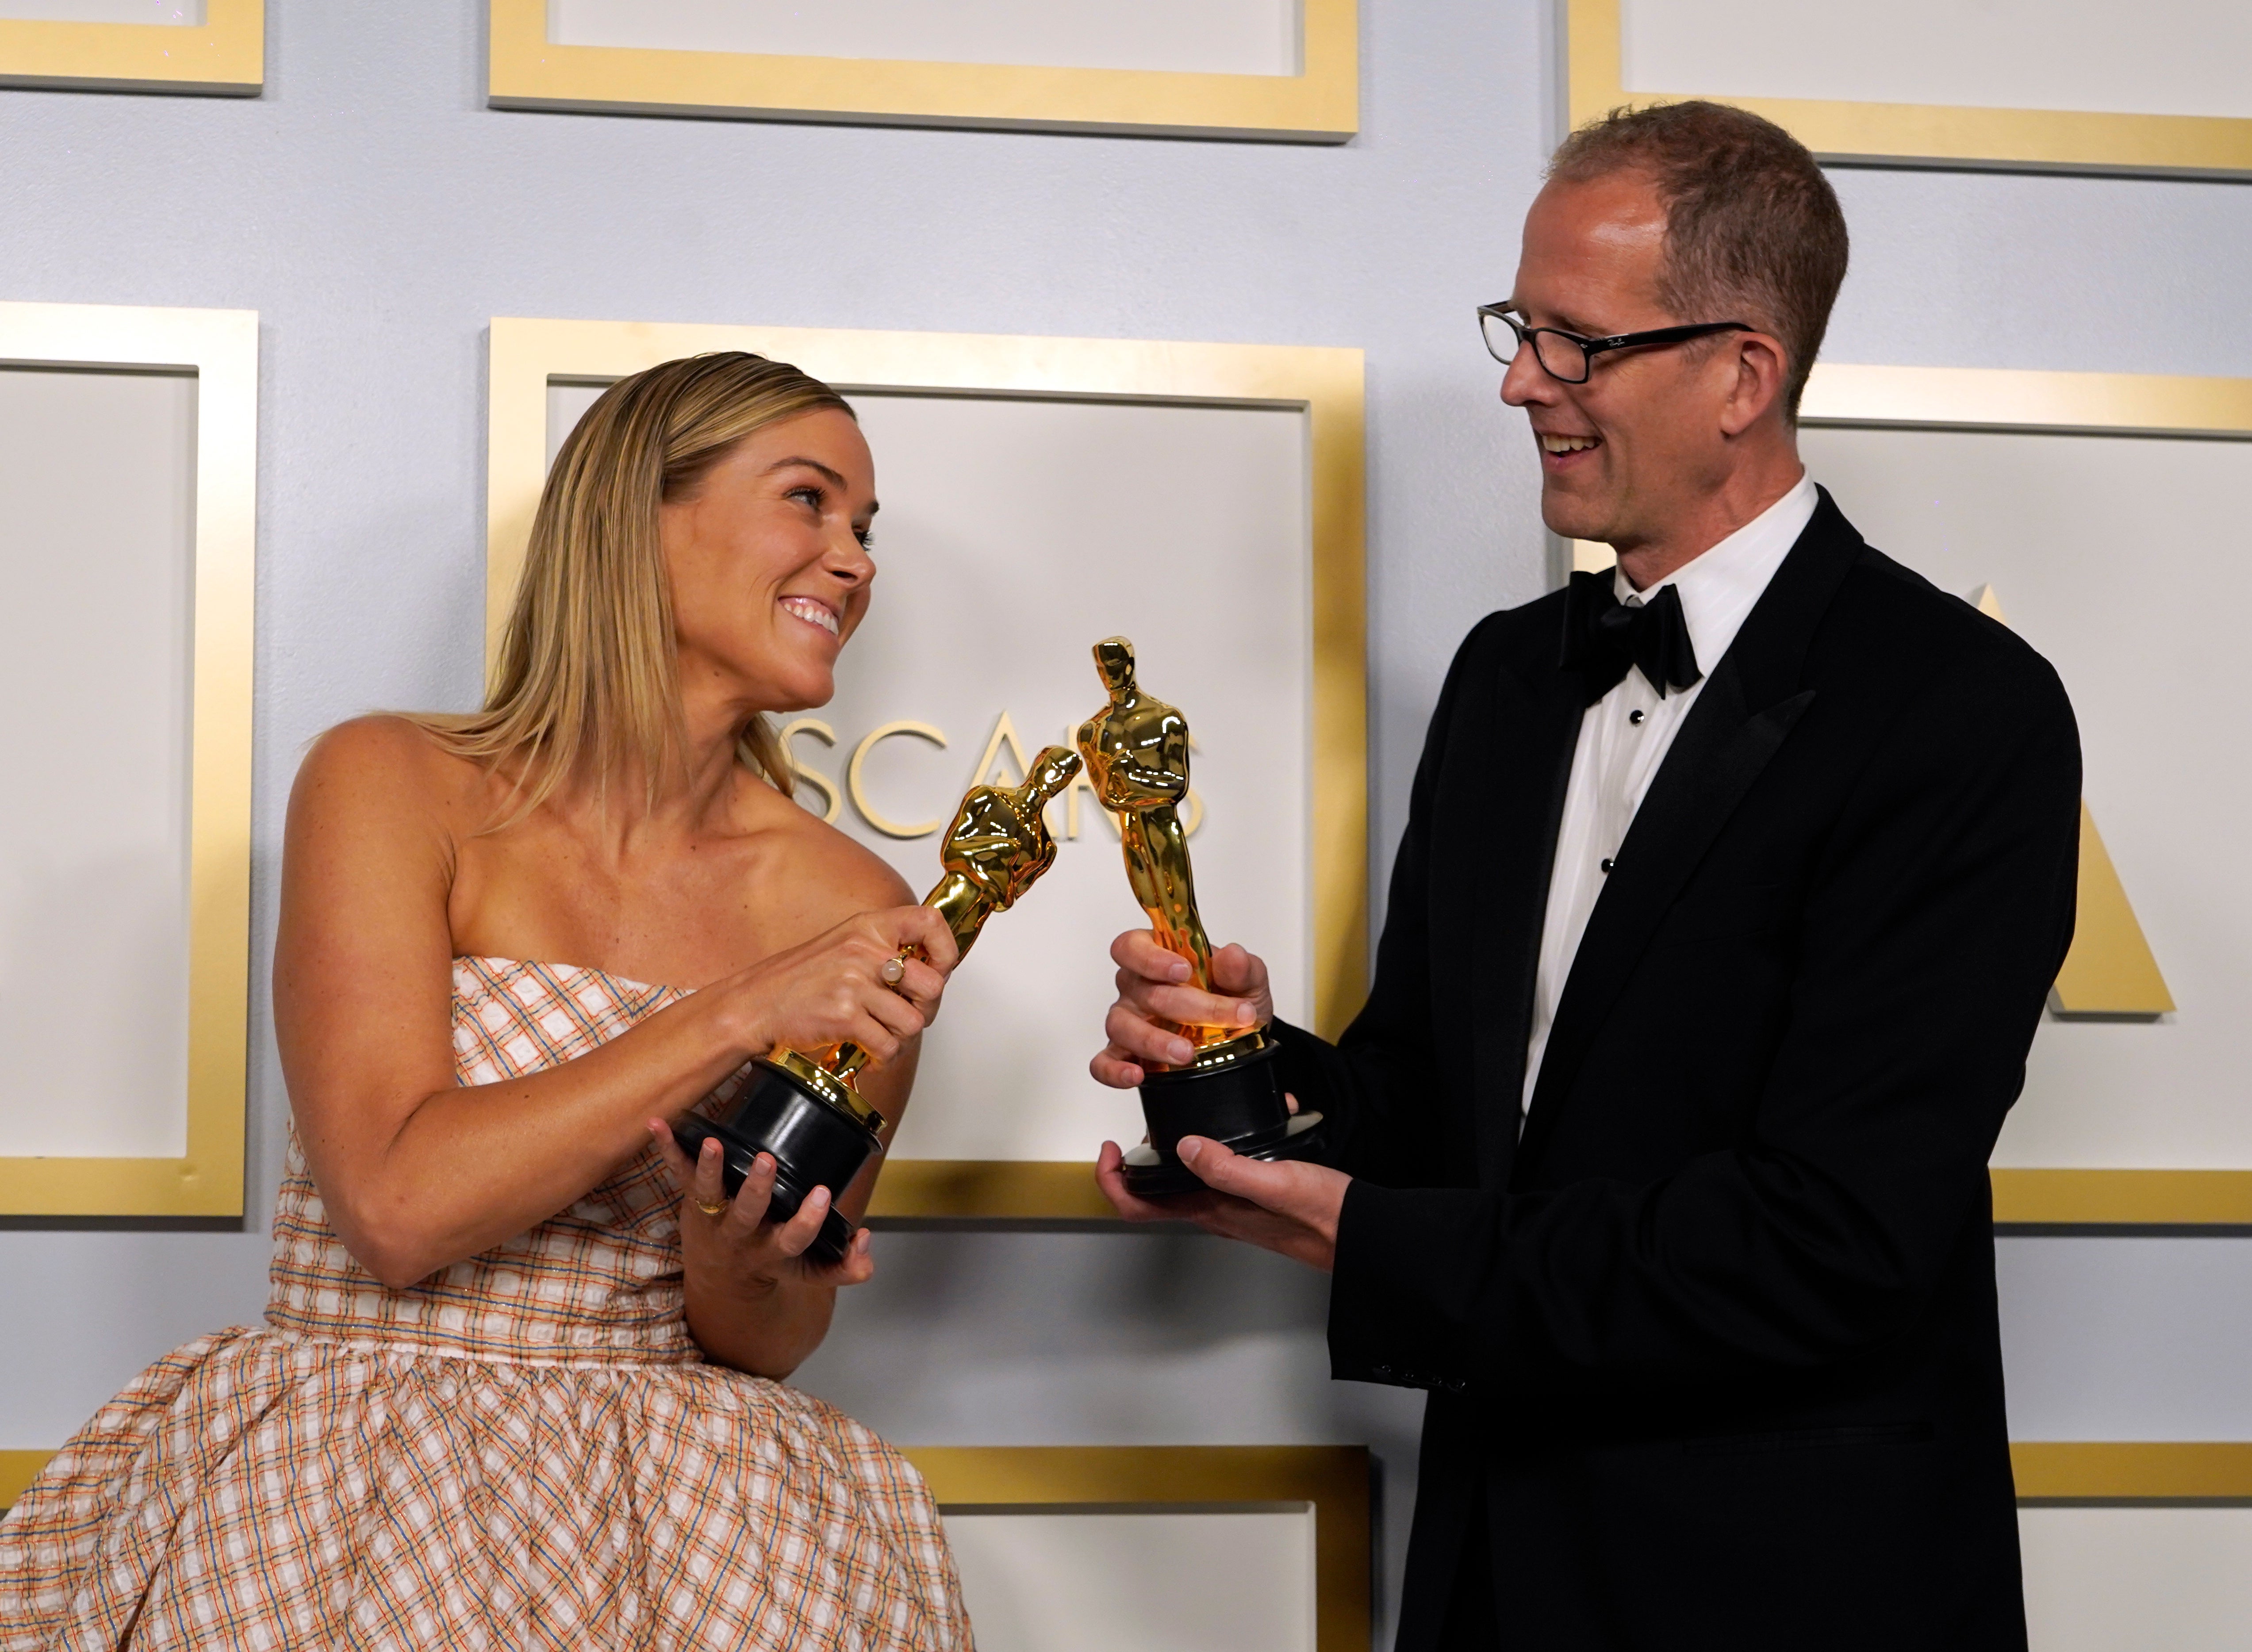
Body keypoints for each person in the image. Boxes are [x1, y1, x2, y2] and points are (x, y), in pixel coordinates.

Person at [1092, 102, 2078, 1651]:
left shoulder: (1961, 711)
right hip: (1494, 1559)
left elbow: (1829, 1244)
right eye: (1517, 328)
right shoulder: (1507, 679)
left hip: (1796, 1589)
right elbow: (1437, 1100)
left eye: (1574, 342)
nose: (1516, 380)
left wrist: (1373, 1240)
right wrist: (1253, 1084)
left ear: (1742, 372)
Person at [0, 353, 973, 1649]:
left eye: (864, 529)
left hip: (681, 1531)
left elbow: (767, 1339)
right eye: (808, 501)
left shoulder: (851, 899)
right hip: (343, 1500)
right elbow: (397, 1210)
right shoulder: (391, 783)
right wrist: (735, 1013)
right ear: (637, 513)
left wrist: (739, 1256)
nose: (852, 561)